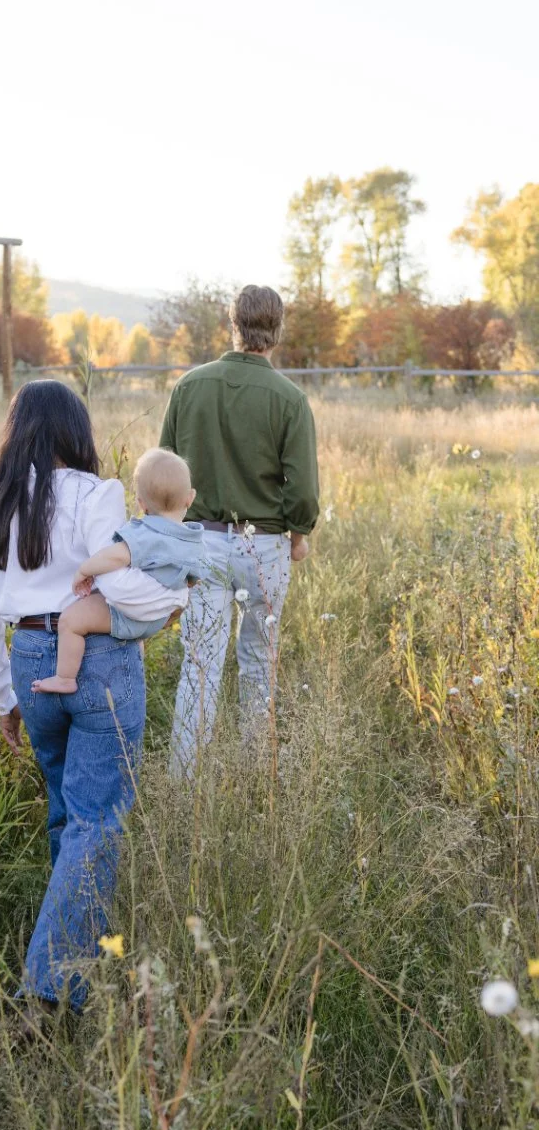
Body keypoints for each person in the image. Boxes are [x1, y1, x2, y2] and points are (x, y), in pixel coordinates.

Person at [0, 380, 183, 1017]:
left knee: (69, 816)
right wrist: (169, 606)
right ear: (74, 433)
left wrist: (2, 696)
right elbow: (121, 578)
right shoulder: (96, 493)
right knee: (99, 819)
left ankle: (76, 973)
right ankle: (45, 991)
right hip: (97, 661)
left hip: (29, 661)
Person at [159, 284, 319, 777]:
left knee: (200, 667)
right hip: (264, 546)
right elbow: (304, 489)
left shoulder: (190, 386)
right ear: (278, 330)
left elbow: (164, 471)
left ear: (232, 323)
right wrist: (299, 534)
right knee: (257, 663)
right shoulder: (289, 399)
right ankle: (256, 776)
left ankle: (185, 786)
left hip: (200, 542)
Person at [32, 448, 203, 695]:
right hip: (160, 618)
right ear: (190, 498)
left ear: (141, 503)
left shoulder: (146, 532)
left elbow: (116, 556)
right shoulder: (193, 539)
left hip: (130, 611)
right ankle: (135, 671)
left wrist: (85, 569)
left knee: (71, 621)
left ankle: (64, 677)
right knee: (134, 637)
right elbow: (192, 579)